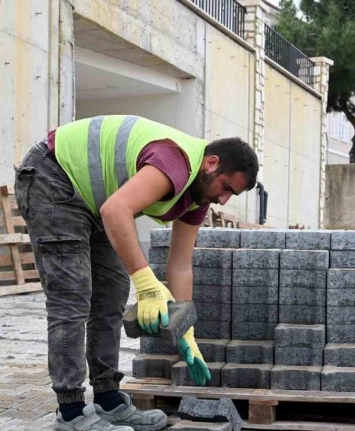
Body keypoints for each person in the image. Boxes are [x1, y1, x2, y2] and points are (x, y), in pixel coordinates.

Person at [14, 115, 259, 431]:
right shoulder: (176, 162)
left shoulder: (197, 196)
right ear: (211, 163)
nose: (223, 199)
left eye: (231, 195)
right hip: (52, 176)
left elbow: (180, 265)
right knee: (72, 296)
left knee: (111, 295)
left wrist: (185, 331)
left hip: (93, 199)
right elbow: (116, 210)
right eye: (225, 188)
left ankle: (108, 399)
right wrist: (146, 284)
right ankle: (71, 411)